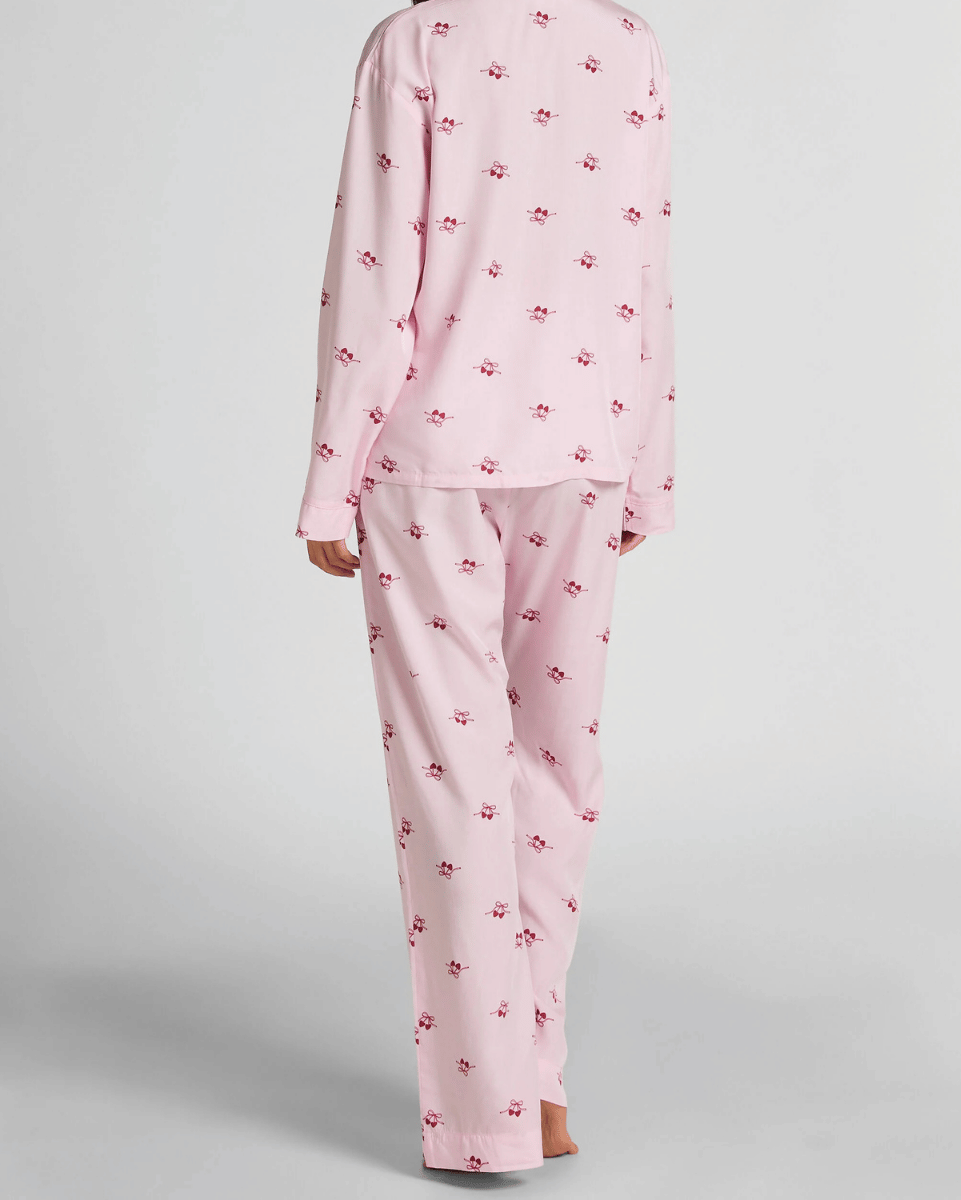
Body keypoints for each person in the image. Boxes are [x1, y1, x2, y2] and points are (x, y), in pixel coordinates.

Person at [297, 0, 674, 1174]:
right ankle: (537, 1087)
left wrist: (330, 480)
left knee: (455, 786)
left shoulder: (418, 42)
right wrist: (647, 466)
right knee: (558, 770)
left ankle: (489, 1115)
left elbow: (375, 274)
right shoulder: (628, 44)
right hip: (583, 452)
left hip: (435, 458)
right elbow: (643, 264)